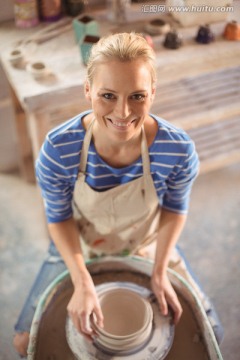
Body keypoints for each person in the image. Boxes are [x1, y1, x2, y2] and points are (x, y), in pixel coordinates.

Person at [13, 32, 219, 357]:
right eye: (108, 95)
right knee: (26, 343)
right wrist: (82, 283)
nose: (123, 113)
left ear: (153, 92)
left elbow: (176, 209)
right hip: (81, 242)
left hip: (145, 243)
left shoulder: (176, 149)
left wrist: (160, 270)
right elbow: (58, 217)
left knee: (210, 331)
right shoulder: (58, 148)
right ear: (87, 91)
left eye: (137, 96)